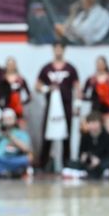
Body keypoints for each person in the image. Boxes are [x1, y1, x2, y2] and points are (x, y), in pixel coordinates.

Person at [36, 43, 81, 171]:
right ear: (53, 50)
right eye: (56, 49)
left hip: (66, 105)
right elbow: (37, 86)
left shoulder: (70, 68)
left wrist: (77, 104)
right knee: (47, 134)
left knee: (66, 135)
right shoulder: (46, 68)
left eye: (60, 48)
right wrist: (47, 88)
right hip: (51, 107)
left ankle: (66, 164)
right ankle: (42, 164)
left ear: (64, 50)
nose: (58, 51)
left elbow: (77, 87)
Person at [65, 112, 109, 179]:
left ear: (100, 123)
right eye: (90, 123)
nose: (92, 125)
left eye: (95, 122)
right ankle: (83, 173)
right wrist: (84, 157)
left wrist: (99, 161)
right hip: (88, 163)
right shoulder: (85, 137)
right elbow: (81, 153)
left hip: (102, 163)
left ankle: (102, 173)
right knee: (69, 164)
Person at [83, 56, 109, 138]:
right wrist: (94, 98)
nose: (100, 65)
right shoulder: (91, 79)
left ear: (105, 65)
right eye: (98, 63)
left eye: (102, 63)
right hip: (96, 110)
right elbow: (84, 95)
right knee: (95, 135)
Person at [0, 57, 32, 122]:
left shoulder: (21, 80)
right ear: (6, 66)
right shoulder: (2, 80)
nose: (11, 67)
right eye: (9, 65)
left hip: (18, 109)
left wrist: (22, 103)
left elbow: (29, 96)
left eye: (12, 65)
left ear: (15, 66)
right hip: (5, 109)